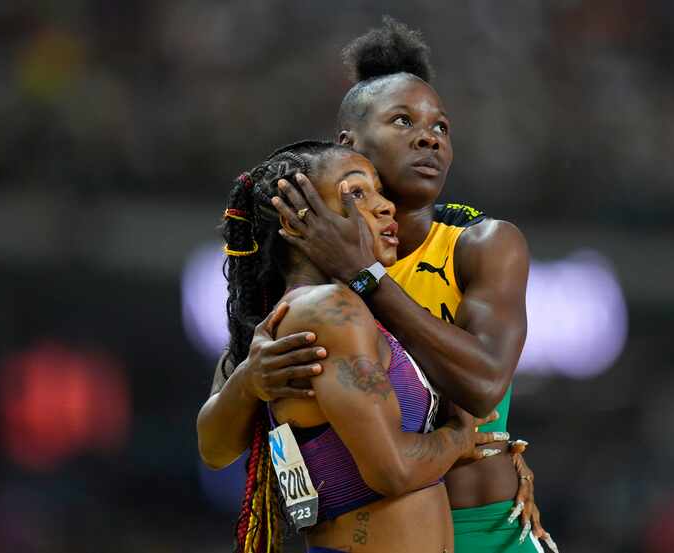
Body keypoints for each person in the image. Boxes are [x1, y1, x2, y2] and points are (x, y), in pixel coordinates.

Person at [265, 19, 552, 553]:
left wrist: (366, 279)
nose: (429, 137)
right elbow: (218, 435)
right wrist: (247, 382)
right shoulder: (308, 261)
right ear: (349, 143)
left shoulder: (481, 244)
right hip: (366, 535)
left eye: (441, 128)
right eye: (404, 121)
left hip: (482, 532)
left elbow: (484, 383)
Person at [197, 140, 502, 553]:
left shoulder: (334, 308)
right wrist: (458, 439)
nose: (385, 206)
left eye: (379, 190)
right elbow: (392, 472)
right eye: (357, 192)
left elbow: (213, 449)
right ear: (296, 219)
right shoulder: (328, 311)